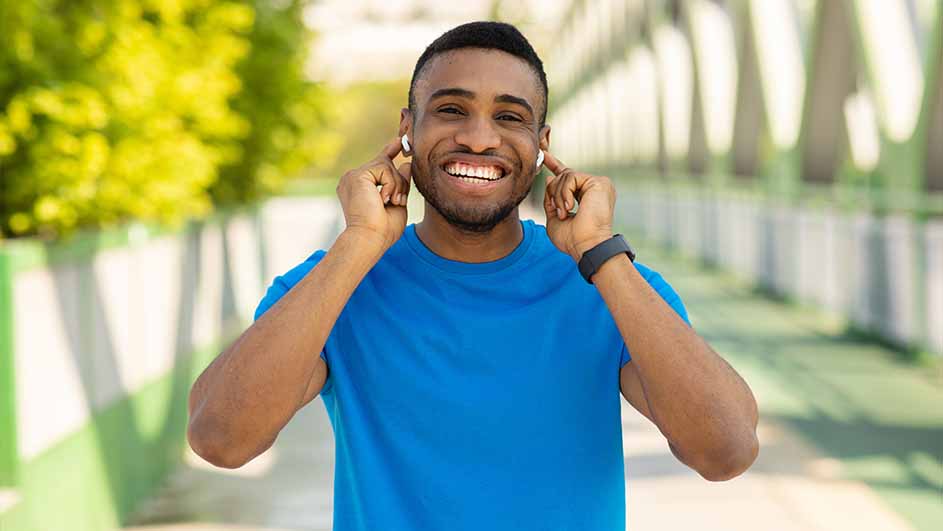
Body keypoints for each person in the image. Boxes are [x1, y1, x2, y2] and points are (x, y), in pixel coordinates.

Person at [187, 21, 758, 531]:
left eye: (510, 117)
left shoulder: (609, 285)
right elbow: (221, 440)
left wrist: (597, 251)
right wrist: (360, 242)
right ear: (408, 129)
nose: (480, 138)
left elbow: (725, 451)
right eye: (452, 110)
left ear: (542, 146)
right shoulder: (336, 285)